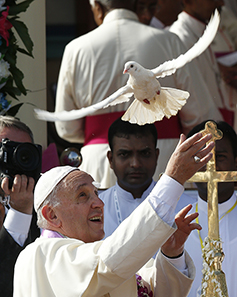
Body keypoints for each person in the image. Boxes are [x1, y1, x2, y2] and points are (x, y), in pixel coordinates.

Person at [12, 131, 215, 297]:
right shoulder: (41, 255)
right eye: (82, 195)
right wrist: (172, 179)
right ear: (52, 215)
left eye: (96, 193)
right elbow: (108, 262)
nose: (99, 203)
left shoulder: (98, 258)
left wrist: (172, 253)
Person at [55, 0, 222, 189]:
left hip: (101, 158)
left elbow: (66, 127)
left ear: (98, 9)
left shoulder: (75, 49)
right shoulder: (170, 41)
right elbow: (200, 114)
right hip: (162, 156)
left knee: (102, 216)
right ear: (137, 6)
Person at [172, 120, 237, 297]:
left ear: (236, 162)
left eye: (220, 156)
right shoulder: (173, 217)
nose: (210, 165)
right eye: (201, 156)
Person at [99, 117, 196, 237]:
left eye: (144, 154)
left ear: (156, 156)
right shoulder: (95, 209)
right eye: (124, 154)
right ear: (111, 159)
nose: (135, 163)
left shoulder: (186, 207)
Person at [169, 0, 236, 128]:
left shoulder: (202, 29)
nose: (221, 3)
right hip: (206, 129)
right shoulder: (181, 37)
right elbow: (195, 104)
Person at [0, 116, 40, 297]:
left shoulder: (48, 207)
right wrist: (20, 212)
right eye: (7, 151)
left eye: (24, 153)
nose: (18, 160)